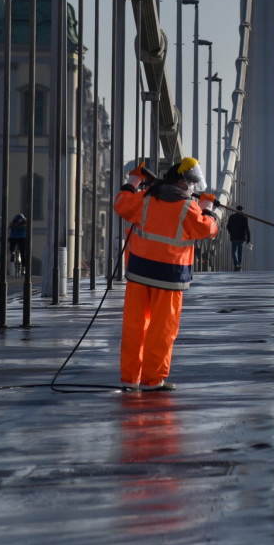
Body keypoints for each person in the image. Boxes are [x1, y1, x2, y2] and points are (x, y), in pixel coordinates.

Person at [113, 157, 218, 392]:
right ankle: (152, 380)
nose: (192, 188)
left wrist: (133, 180)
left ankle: (129, 379)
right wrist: (208, 210)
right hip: (169, 276)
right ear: (181, 182)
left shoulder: (146, 198)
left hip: (139, 273)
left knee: (134, 328)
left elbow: (121, 204)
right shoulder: (188, 207)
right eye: (191, 184)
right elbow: (206, 229)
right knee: (162, 331)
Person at [226, 205, 250, 271]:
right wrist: (248, 238)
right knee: (240, 252)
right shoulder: (244, 217)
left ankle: (236, 264)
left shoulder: (232, 217)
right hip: (242, 237)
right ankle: (239, 265)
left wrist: (231, 232)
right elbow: (247, 229)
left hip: (234, 237)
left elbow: (228, 226)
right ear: (242, 210)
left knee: (234, 251)